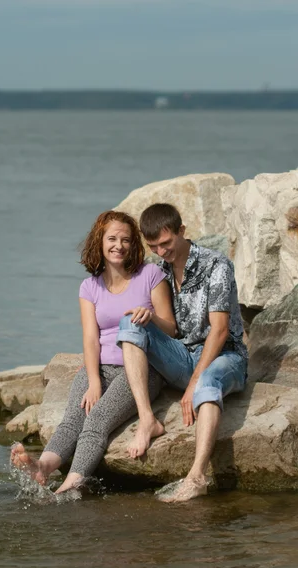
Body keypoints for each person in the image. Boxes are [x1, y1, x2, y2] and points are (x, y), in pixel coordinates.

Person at [11, 210, 176, 494]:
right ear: (100, 242)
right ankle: (43, 467)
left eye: (126, 240)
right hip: (101, 368)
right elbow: (90, 338)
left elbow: (171, 328)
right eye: (112, 238)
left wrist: (150, 317)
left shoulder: (151, 274)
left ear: (134, 244)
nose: (119, 245)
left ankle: (73, 481)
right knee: (73, 419)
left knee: (96, 420)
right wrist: (94, 380)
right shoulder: (90, 287)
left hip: (140, 370)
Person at [116, 203, 248, 503]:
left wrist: (192, 385)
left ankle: (197, 476)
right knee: (131, 321)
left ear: (182, 232)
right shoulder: (157, 269)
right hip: (182, 353)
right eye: (154, 247)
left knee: (207, 381)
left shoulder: (217, 265)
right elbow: (172, 330)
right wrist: (147, 317)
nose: (162, 252)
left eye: (166, 243)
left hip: (225, 357)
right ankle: (148, 420)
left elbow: (220, 330)